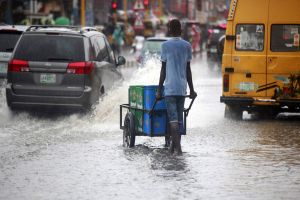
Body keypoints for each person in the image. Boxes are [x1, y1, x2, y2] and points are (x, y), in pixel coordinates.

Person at [156, 19, 197, 155]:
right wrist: (191, 89)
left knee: (172, 119)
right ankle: (174, 147)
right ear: (181, 30)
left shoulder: (165, 46)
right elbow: (188, 70)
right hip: (181, 88)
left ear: (169, 30)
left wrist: (158, 89)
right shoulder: (187, 46)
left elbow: (163, 70)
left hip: (170, 89)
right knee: (179, 120)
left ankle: (178, 149)